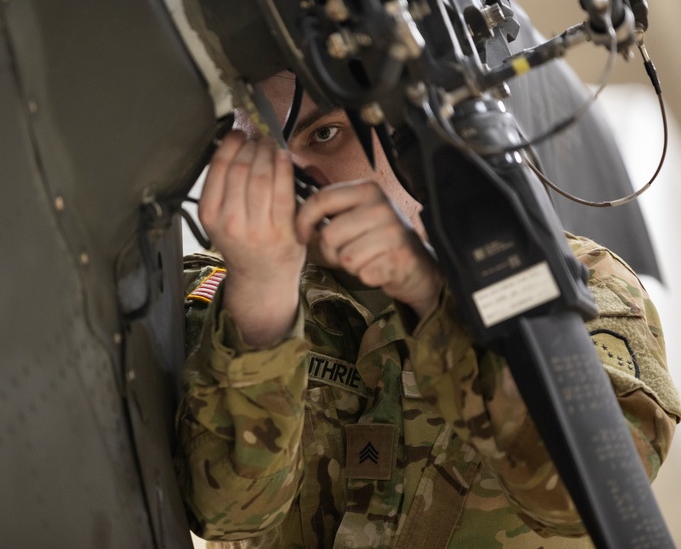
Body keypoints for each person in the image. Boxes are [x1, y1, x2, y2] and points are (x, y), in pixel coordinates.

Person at [176, 71, 680, 548]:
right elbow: (227, 513)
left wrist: (424, 288)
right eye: (262, 156)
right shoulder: (218, 292)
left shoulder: (577, 285)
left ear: (406, 131)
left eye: (325, 133)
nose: (294, 181)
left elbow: (597, 492)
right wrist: (262, 298)